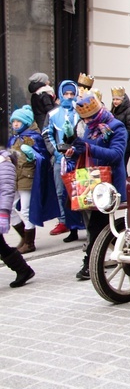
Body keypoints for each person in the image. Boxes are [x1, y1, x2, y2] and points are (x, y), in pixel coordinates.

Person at [67, 94, 127, 280]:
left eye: (89, 118)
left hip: (109, 184)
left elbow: (116, 155)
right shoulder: (91, 128)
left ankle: (90, 264)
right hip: (93, 182)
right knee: (99, 225)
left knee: (96, 225)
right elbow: (86, 150)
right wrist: (74, 152)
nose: (86, 121)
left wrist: (87, 147)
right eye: (84, 119)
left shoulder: (117, 126)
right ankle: (125, 251)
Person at [7, 105, 57, 254]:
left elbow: (42, 157)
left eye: (19, 121)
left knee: (27, 210)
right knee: (8, 208)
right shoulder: (14, 138)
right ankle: (24, 236)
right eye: (14, 121)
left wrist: (32, 155)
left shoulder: (32, 138)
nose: (15, 124)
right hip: (15, 177)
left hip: (28, 178)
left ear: (26, 122)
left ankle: (29, 242)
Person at [42, 80, 86, 241]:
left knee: (81, 193)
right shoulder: (53, 114)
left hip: (78, 158)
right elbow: (46, 134)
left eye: (71, 94)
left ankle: (86, 226)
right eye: (66, 94)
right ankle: (69, 226)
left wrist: (77, 150)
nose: (68, 97)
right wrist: (55, 152)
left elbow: (85, 133)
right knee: (62, 194)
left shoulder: (81, 111)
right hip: (61, 160)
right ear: (61, 94)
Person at [0, 147, 35, 288]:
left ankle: (23, 270)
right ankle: (23, 270)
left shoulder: (3, 162)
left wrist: (3, 214)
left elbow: (7, 190)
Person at [110, 86, 130, 167]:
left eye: (117, 99)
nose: (115, 101)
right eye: (114, 99)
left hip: (125, 143)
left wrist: (120, 136)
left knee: (122, 166)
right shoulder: (113, 111)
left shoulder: (129, 111)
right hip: (115, 142)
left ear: (123, 100)